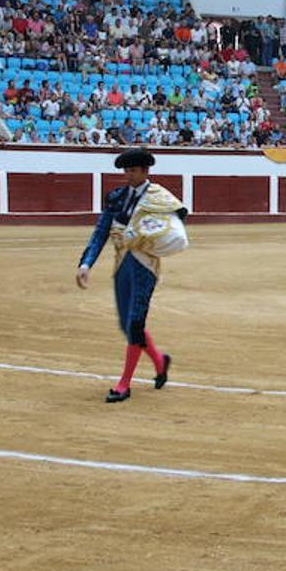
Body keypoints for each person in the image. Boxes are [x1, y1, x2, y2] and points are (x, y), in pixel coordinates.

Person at [76, 148, 189, 403]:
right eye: (126, 171)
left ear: (145, 171)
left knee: (135, 323)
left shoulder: (159, 197)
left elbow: (174, 228)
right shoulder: (116, 197)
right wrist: (86, 264)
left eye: (133, 171)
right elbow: (101, 232)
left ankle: (124, 384)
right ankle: (160, 362)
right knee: (127, 325)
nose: (128, 175)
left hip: (145, 265)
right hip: (121, 265)